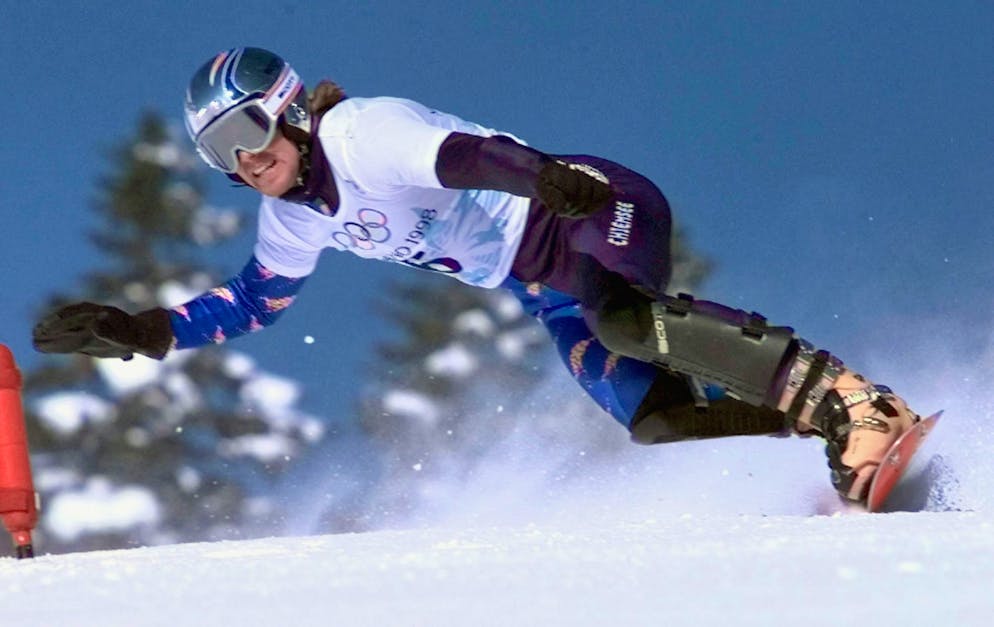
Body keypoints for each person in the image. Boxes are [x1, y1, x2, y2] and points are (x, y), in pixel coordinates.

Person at [33, 47, 919, 506]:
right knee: (656, 418)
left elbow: (463, 155)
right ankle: (827, 432)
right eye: (218, 154)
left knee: (622, 320)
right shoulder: (295, 214)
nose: (244, 162)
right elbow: (255, 301)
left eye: (247, 133)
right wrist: (143, 329)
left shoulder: (361, 132)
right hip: (540, 285)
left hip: (581, 206)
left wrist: (548, 181)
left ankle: (854, 401)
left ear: (291, 108)